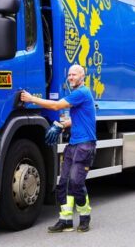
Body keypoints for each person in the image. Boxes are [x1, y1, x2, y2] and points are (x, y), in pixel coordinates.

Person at [20, 64, 96, 233]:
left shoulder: (82, 93)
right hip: (74, 143)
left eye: (74, 74)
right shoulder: (77, 95)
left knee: (76, 182)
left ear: (82, 76)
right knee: (64, 184)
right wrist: (62, 126)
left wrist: (32, 99)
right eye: (69, 74)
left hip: (85, 145)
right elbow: (80, 119)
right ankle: (65, 220)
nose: (71, 77)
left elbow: (55, 106)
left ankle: (85, 217)